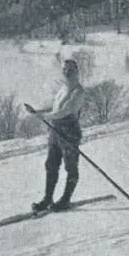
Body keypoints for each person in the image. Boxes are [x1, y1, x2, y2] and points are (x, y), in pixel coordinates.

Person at [24, 59, 86, 212]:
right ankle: (47, 198)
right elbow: (54, 108)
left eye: (70, 70)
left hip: (69, 130)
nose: (66, 73)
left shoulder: (78, 91)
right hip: (55, 130)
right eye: (64, 70)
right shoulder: (63, 88)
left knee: (70, 166)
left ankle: (65, 199)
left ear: (76, 71)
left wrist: (43, 116)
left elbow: (64, 111)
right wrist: (37, 112)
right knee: (51, 164)